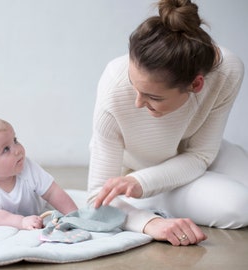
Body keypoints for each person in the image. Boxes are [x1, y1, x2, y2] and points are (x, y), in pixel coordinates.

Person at [88, 0, 248, 246]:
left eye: (153, 97)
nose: (138, 102)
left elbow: (200, 154)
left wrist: (140, 184)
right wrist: (149, 217)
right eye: (134, 86)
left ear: (196, 85)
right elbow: (97, 197)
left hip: (200, 153)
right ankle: (150, 199)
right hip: (137, 172)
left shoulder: (228, 70)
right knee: (241, 207)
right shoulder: (113, 91)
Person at [0, 116, 78, 230]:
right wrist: (21, 221)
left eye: (15, 140)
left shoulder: (27, 167)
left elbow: (52, 192)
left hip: (35, 203)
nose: (17, 150)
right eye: (6, 149)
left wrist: (74, 214)